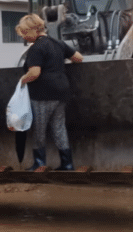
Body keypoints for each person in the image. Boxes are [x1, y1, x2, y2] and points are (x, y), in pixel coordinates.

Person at [16, 14, 83, 171]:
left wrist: (21, 81)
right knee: (59, 127)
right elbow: (79, 58)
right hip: (61, 92)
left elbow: (34, 73)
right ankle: (67, 164)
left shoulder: (36, 48)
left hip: (43, 94)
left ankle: (39, 163)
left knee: (39, 129)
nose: (24, 37)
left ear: (33, 30)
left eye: (25, 33)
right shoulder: (58, 43)